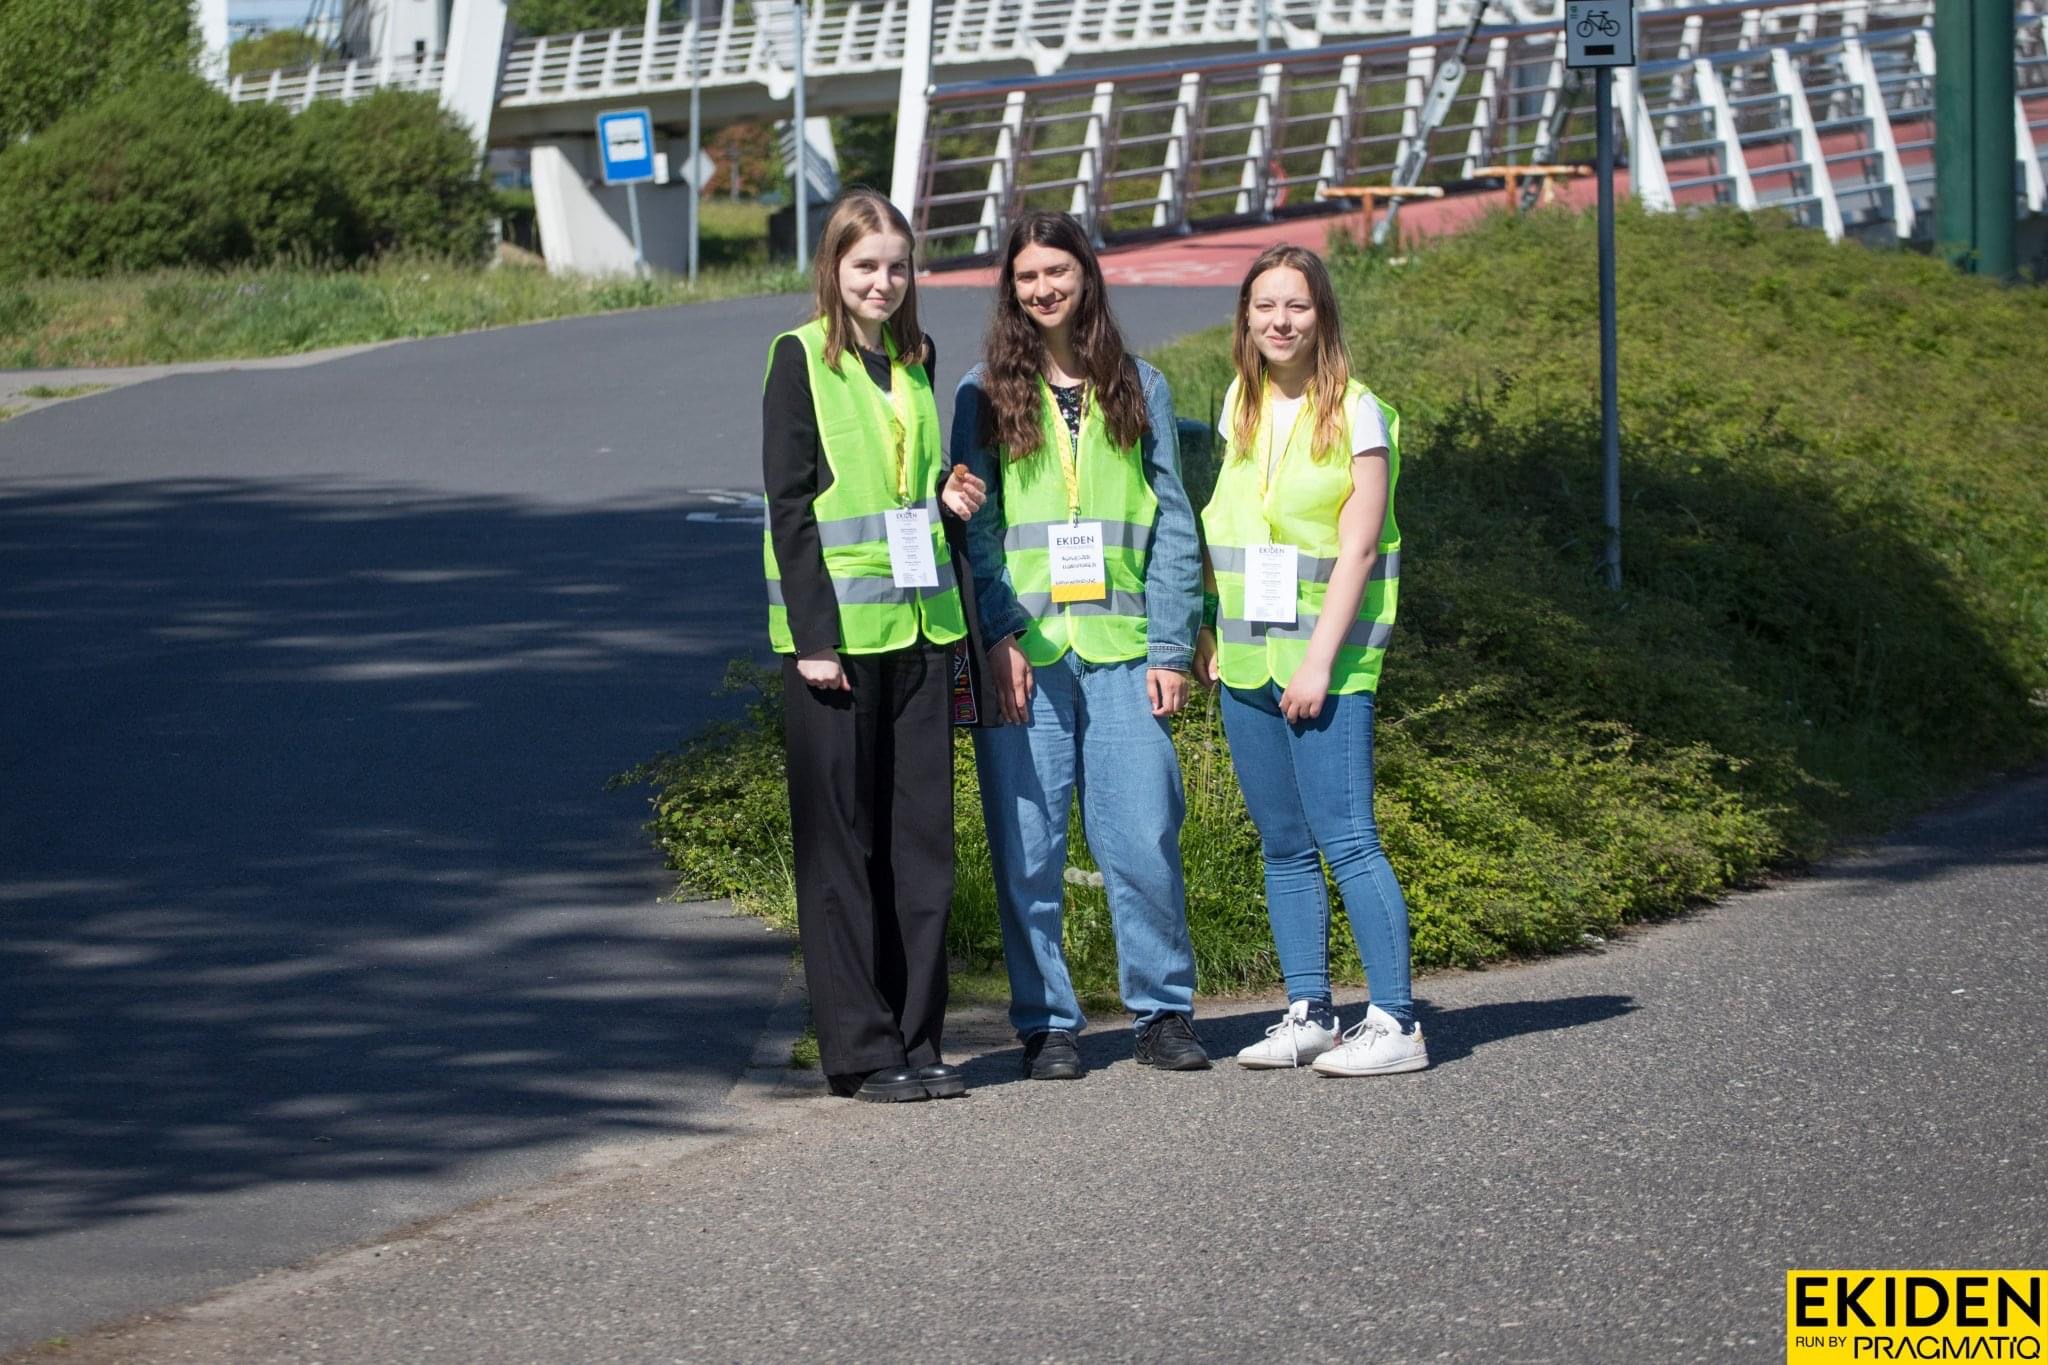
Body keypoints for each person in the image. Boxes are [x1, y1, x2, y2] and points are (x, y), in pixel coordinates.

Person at [952, 210, 1208, 1079]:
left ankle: (1162, 1012)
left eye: (1057, 270)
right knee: (1028, 847)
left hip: (1123, 648)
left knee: (1143, 836)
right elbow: (978, 527)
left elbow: (1174, 522)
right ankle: (1047, 1024)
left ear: (1085, 275)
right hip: (1027, 652)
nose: (1043, 288)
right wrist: (999, 633)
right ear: (1010, 288)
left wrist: (1171, 645)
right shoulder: (982, 392)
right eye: (1027, 275)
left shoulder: (1141, 384)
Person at [761, 189, 989, 1102]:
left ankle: (918, 1038)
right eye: (866, 265)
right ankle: (861, 1050)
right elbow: (790, 506)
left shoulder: (915, 357)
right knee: (842, 852)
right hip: (838, 645)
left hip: (922, 629)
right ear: (834, 267)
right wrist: (813, 636)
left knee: (921, 850)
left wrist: (946, 497)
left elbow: (903, 486)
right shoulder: (798, 358)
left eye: (897, 266)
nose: (883, 282)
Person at [1194, 243, 1427, 1076]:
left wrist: (1321, 662)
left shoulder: (1359, 413)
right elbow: (1232, 524)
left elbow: (1359, 549)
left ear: (1322, 314)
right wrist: (1210, 628)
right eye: (1264, 306)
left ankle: (1397, 1022)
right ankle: (1310, 1013)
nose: (1280, 321)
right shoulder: (1241, 402)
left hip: (1325, 664)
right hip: (1247, 659)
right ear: (1246, 317)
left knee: (1349, 838)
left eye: (1296, 305)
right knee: (1283, 842)